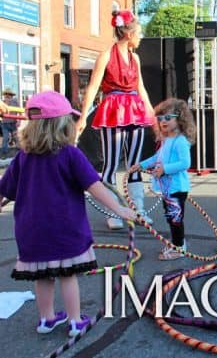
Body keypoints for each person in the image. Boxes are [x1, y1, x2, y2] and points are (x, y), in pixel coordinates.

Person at [0, 91, 136, 336]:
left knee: (43, 276)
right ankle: (75, 321)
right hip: (65, 229)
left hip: (31, 231)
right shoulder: (71, 154)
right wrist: (119, 208)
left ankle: (46, 319)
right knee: (67, 275)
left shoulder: (23, 157)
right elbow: (95, 187)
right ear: (63, 125)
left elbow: (5, 190)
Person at [76, 9, 155, 229]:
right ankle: (114, 211)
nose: (140, 37)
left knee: (134, 163)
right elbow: (92, 87)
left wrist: (151, 113)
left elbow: (141, 88)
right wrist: (83, 117)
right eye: (138, 33)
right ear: (129, 34)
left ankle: (137, 209)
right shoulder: (106, 56)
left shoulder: (135, 58)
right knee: (111, 163)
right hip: (113, 110)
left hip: (134, 109)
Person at [130, 98, 195, 260]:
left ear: (179, 118)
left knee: (175, 219)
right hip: (168, 189)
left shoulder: (180, 141)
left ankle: (179, 247)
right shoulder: (167, 140)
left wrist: (165, 169)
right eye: (159, 119)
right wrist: (141, 165)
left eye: (168, 117)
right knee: (171, 217)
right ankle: (177, 242)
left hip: (177, 188)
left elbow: (185, 163)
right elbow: (156, 158)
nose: (162, 122)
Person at [1, 88, 19, 157]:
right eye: (6, 94)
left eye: (9, 94)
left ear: (12, 95)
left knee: (16, 137)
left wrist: (19, 121)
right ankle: (4, 153)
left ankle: (19, 151)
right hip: (4, 124)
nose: (8, 96)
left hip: (13, 123)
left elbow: (20, 112)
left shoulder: (15, 102)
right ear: (5, 95)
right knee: (6, 138)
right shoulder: (2, 103)